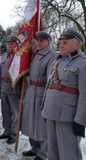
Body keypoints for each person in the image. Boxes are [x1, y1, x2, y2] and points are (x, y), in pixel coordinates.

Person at [41, 28, 86, 160]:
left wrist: (81, 121)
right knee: (53, 152)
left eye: (65, 42)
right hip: (51, 113)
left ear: (76, 45)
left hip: (68, 116)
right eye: (60, 42)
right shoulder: (57, 61)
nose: (61, 45)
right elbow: (50, 85)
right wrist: (44, 107)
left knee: (69, 154)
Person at [21, 31, 57, 160]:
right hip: (31, 91)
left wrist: (48, 97)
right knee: (31, 121)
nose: (39, 43)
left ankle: (43, 153)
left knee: (41, 125)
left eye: (42, 40)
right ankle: (35, 147)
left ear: (48, 42)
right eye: (37, 40)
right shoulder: (35, 54)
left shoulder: (52, 56)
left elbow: (50, 79)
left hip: (42, 93)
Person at [0, 35, 22, 144]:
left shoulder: (19, 57)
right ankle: (7, 130)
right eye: (8, 43)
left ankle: (14, 133)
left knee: (15, 112)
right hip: (4, 87)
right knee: (5, 111)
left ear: (16, 44)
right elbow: (0, 73)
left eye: (12, 43)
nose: (9, 45)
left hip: (14, 88)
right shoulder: (3, 56)